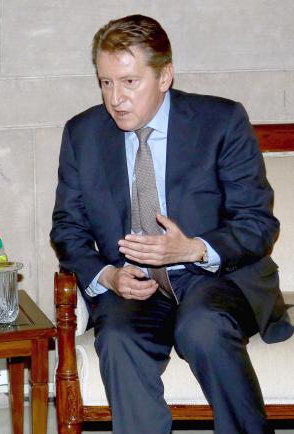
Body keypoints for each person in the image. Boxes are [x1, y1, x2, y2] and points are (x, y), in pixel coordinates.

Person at [50, 14, 293, 434]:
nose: (116, 99)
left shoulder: (220, 122)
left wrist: (193, 248)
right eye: (106, 82)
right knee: (118, 338)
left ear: (164, 76)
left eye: (129, 82)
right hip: (134, 285)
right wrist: (108, 276)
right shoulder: (83, 134)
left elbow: (257, 222)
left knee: (202, 325)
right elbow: (67, 228)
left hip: (216, 278)